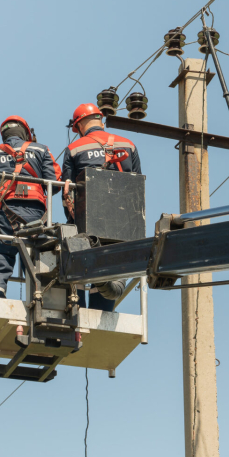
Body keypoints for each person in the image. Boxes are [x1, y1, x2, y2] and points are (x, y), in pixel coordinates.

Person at [58, 103, 142, 311]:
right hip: (125, 224)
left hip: (87, 224)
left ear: (77, 126)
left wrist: (71, 224)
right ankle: (102, 311)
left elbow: (66, 190)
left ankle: (77, 307)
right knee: (109, 271)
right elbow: (137, 184)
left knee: (78, 267)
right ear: (101, 120)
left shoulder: (74, 149)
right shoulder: (129, 145)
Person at [0, 115, 60, 299]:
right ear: (25, 132)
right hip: (36, 216)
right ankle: (47, 297)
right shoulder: (41, 149)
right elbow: (54, 183)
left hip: (4, 213)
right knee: (41, 255)